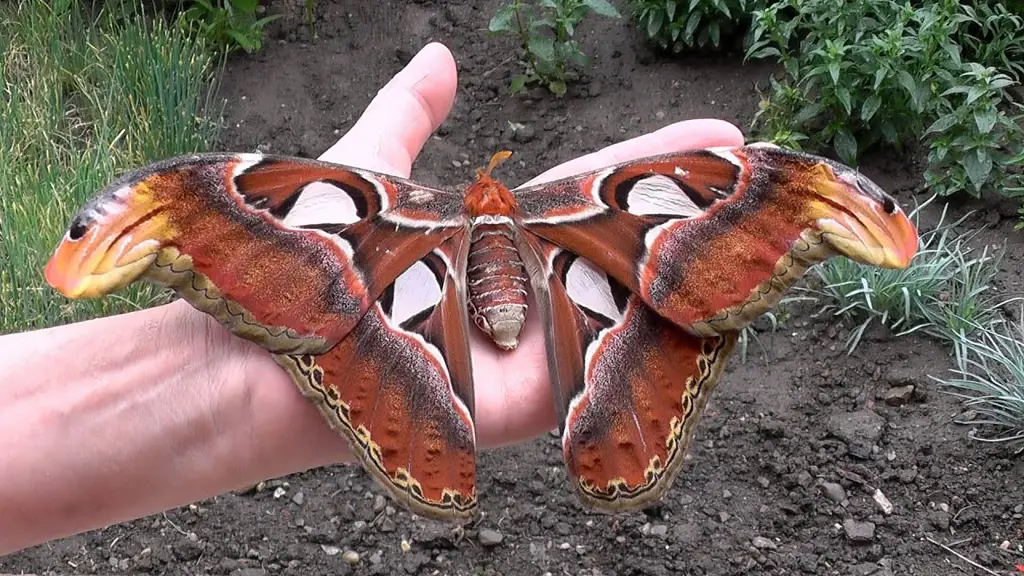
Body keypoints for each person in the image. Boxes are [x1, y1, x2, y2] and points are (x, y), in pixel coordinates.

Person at [0, 42, 744, 554]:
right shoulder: (565, 201)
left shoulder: (396, 207)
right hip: (501, 275)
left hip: (418, 278)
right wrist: (168, 215)